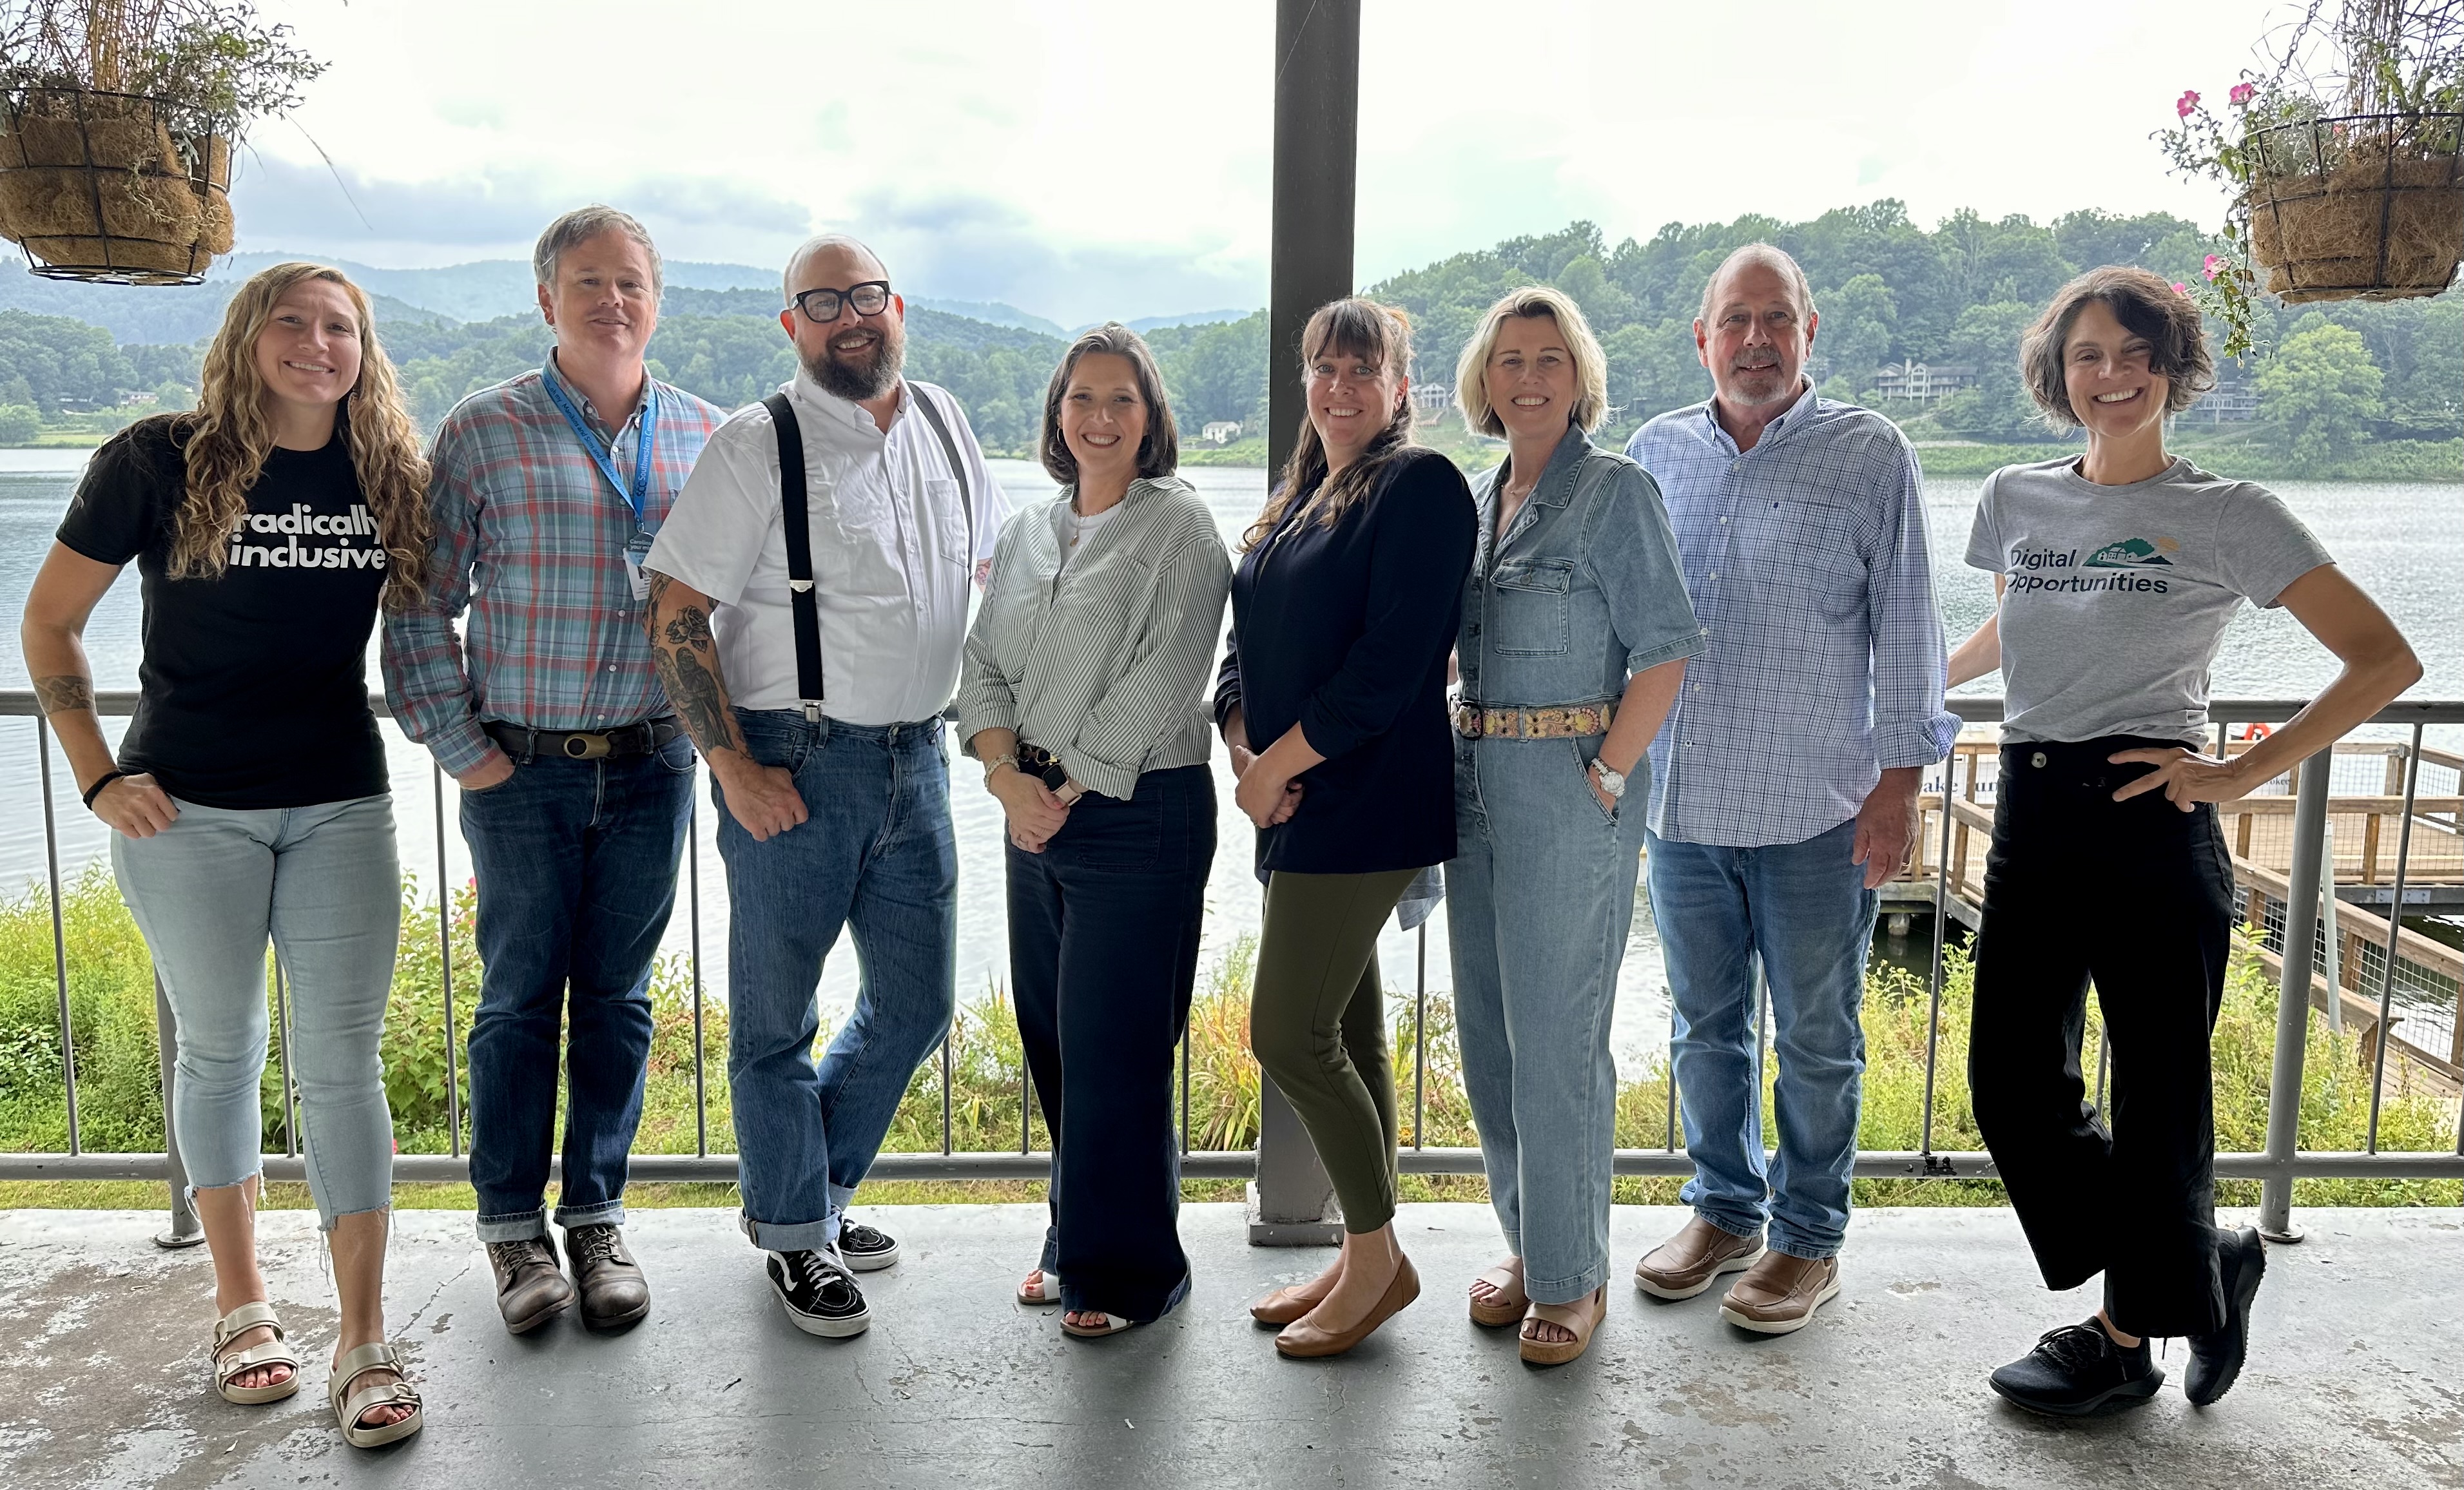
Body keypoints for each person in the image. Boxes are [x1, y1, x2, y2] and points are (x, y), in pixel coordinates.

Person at [1950, 267, 2418, 1415]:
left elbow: (2384, 660)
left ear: (2173, 367)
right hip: (2031, 808)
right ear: (2058, 376)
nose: (2109, 376)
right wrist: (1912, 684)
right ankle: (2204, 1264)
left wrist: (2241, 771)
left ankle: (2122, 1340)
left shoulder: (2229, 514)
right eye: (2086, 357)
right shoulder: (2016, 496)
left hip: (2153, 822)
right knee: (2010, 1084)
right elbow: (2025, 616)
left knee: (2162, 1096)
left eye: (2132, 354)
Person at [22, 263, 429, 1447]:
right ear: (248, 339)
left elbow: (454, 598)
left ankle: (363, 1340)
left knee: (342, 1064)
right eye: (291, 323)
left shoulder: (388, 469)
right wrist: (97, 774)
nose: (316, 343)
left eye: (340, 327)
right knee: (221, 1049)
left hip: (342, 802)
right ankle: (243, 1307)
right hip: (186, 807)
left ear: (364, 349)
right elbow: (50, 620)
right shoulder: (156, 458)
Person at [641, 233, 1004, 1339]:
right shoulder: (760, 444)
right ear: (792, 325)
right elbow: (676, 611)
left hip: (919, 759)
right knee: (773, 1022)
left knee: (915, 1005)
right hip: (791, 764)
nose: (853, 316)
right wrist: (732, 768)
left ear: (901, 309)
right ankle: (799, 1238)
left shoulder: (944, 420)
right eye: (824, 301)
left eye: (870, 296)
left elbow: (988, 578)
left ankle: (813, 1197)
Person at [383, 206, 727, 1335]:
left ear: (656, 300)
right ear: (548, 301)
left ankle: (595, 1215)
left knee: (620, 1003)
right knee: (519, 1000)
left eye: (631, 283)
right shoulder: (485, 429)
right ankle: (510, 1233)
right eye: (588, 282)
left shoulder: (705, 437)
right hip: (520, 769)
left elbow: (737, 609)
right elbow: (420, 601)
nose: (612, 301)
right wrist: (461, 750)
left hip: (650, 763)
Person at [1625, 244, 1956, 1335]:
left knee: (1818, 1034)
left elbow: (1908, 627)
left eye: (1777, 320)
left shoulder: (1871, 453)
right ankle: (1723, 1208)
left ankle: (1808, 1235)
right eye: (1736, 321)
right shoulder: (1654, 452)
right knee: (1705, 1026)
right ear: (1703, 337)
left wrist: (1898, 786)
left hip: (1821, 807)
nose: (1755, 341)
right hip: (1679, 805)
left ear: (1810, 331)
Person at [1444, 287, 1703, 1366]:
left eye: (1550, 358)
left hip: (1567, 789)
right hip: (1471, 784)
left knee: (1558, 1043)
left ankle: (1572, 1274)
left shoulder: (1617, 493)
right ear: (1485, 380)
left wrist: (1606, 774)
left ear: (1578, 373)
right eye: (1510, 359)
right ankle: (1530, 1243)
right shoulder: (1472, 496)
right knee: (1492, 1039)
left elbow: (1669, 649)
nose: (1530, 376)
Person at [956, 324, 1231, 1337]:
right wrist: (1004, 780)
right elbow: (981, 666)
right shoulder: (1032, 531)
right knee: (1057, 1041)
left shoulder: (1183, 528)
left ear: (1151, 417)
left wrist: (1054, 787)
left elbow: (1164, 681)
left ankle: (1128, 1275)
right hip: (1029, 815)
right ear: (1056, 414)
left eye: (1121, 399)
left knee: (1116, 1047)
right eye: (1081, 398)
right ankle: (1080, 1232)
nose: (1099, 418)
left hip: (1137, 811)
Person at [1216, 298, 1476, 1359]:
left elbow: (1391, 667)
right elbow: (1247, 646)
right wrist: (1242, 748)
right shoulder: (1299, 497)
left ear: (1401, 387)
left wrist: (1276, 768)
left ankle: (1375, 1262)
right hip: (1290, 800)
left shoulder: (1421, 488)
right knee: (1351, 1033)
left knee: (1286, 1032)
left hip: (1365, 803)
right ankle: (1365, 1248)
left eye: (1364, 371)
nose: (1341, 387)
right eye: (1326, 368)